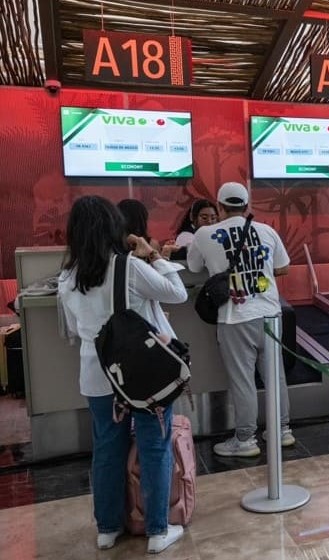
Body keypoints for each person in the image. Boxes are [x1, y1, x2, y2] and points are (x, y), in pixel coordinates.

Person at [58, 196, 187, 553]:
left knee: (106, 449)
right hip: (142, 376)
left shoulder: (68, 277)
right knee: (154, 446)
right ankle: (158, 531)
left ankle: (108, 528)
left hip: (96, 374)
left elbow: (74, 330)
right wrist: (155, 255)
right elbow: (177, 294)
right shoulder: (127, 266)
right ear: (114, 227)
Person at [187, 182, 293, 457]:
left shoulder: (204, 233)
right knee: (275, 376)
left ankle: (245, 439)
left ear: (220, 207)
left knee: (242, 379)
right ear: (246, 207)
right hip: (270, 313)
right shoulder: (266, 230)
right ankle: (281, 431)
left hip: (236, 317)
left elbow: (194, 267)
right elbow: (283, 267)